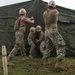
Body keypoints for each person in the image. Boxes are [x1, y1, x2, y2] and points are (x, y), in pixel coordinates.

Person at [43, 0, 67, 71]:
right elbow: (57, 12)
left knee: (48, 47)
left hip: (46, 31)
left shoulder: (44, 13)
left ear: (48, 6)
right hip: (53, 30)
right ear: (54, 6)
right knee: (61, 45)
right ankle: (58, 64)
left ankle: (45, 61)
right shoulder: (55, 11)